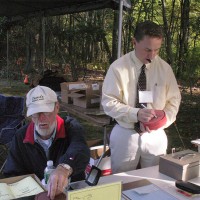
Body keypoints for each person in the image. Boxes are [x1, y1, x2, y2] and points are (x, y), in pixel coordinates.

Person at [101, 20, 181, 174]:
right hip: (126, 133)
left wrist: (165, 118)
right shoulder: (117, 68)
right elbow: (108, 102)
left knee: (156, 180)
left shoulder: (165, 68)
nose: (152, 55)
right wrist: (135, 113)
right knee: (121, 181)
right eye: (147, 49)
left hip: (156, 136)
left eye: (156, 50)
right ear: (134, 42)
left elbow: (174, 100)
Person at [3, 85, 90, 199]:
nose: (41, 118)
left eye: (46, 112)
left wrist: (64, 168)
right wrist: (35, 195)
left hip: (70, 194)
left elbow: (80, 149)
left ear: (57, 107)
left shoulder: (71, 127)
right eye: (36, 113)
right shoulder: (21, 136)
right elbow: (13, 173)